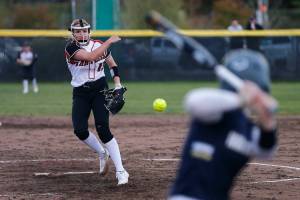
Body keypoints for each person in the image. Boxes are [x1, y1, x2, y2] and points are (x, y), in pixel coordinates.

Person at [168, 49, 278, 200]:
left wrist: (268, 120)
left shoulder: (248, 129)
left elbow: (267, 151)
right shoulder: (215, 114)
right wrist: (240, 100)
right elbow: (192, 101)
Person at [64, 18, 129, 185]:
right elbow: (91, 56)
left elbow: (113, 65)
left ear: (89, 31)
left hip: (99, 90)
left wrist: (117, 84)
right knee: (79, 130)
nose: (81, 33)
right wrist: (109, 41)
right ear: (73, 33)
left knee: (103, 128)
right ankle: (102, 153)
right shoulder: (71, 48)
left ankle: (121, 171)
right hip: (80, 93)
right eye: (78, 31)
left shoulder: (98, 43)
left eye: (84, 30)